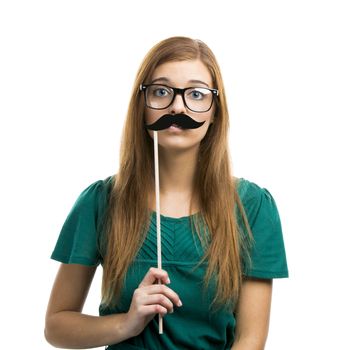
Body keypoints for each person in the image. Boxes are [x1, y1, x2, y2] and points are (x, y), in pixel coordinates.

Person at [45, 36, 288, 350]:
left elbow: (250, 339)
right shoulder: (101, 201)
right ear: (142, 106)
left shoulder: (252, 207)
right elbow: (57, 326)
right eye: (161, 91)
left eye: (196, 94)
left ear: (215, 110)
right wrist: (126, 322)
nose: (177, 106)